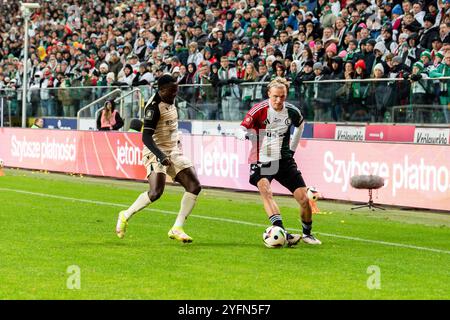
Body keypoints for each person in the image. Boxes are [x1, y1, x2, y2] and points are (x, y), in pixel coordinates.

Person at [235, 77, 321, 246]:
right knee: (265, 190)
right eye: (275, 96)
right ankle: (282, 232)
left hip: (284, 160)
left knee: (304, 199)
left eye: (282, 96)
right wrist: (242, 135)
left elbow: (300, 125)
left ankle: (307, 234)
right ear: (269, 94)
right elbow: (241, 128)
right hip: (262, 158)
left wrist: (293, 149)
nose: (279, 100)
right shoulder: (259, 110)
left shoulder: (291, 111)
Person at [116, 74, 202, 243]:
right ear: (161, 90)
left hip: (172, 150)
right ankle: (125, 214)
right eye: (171, 92)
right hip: (154, 151)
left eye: (176, 91)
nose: (174, 95)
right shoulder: (153, 108)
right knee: (156, 192)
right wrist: (160, 155)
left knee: (194, 186)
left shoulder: (171, 100)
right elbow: (146, 138)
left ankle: (177, 228)